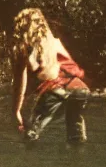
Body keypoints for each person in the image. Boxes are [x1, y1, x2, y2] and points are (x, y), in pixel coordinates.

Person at [11, 8, 89, 143]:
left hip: (55, 88)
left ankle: (25, 161)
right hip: (80, 88)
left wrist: (16, 110)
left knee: (31, 133)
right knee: (76, 136)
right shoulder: (55, 41)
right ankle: (78, 159)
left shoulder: (23, 48)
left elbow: (20, 84)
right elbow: (70, 65)